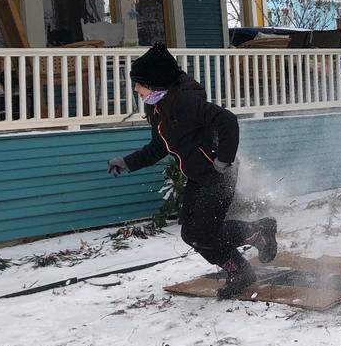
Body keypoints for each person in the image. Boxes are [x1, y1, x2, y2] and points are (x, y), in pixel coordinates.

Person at [107, 43, 277, 299]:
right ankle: (240, 267)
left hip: (219, 174)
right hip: (199, 177)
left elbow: (227, 120)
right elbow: (158, 146)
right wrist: (128, 162)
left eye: (139, 84)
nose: (135, 89)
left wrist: (224, 160)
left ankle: (257, 233)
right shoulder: (158, 108)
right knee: (190, 232)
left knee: (204, 231)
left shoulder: (185, 102)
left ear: (155, 83)